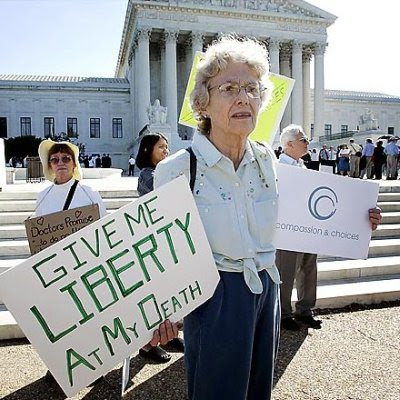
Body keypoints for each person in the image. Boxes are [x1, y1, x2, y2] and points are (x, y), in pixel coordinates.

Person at [155, 35, 279, 400]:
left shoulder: (267, 159)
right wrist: (161, 311)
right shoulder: (178, 168)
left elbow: (295, 217)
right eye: (228, 88)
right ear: (202, 103)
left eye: (251, 88)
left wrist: (355, 221)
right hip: (215, 297)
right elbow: (163, 248)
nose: (244, 97)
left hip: (267, 289)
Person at [36, 139, 178, 382]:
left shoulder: (87, 192)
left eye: (66, 158)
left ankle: (94, 364)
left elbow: (102, 229)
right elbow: (40, 236)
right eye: (55, 159)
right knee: (65, 318)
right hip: (58, 270)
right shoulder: (43, 196)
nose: (61, 163)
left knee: (90, 318)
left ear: (74, 163)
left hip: (85, 267)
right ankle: (62, 365)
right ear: (49, 164)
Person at [276, 125, 382, 333]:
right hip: (288, 232)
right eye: (302, 139)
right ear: (289, 144)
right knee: (286, 272)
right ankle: (284, 313)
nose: (307, 141)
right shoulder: (278, 168)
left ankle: (305, 310)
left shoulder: (303, 166)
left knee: (309, 269)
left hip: (309, 229)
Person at [135, 132, 185, 362]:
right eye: (161, 147)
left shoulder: (162, 172)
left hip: (168, 238)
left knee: (170, 291)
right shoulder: (148, 175)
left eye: (167, 147)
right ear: (147, 151)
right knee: (156, 292)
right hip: (155, 240)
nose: (166, 151)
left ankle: (168, 334)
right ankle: (146, 345)